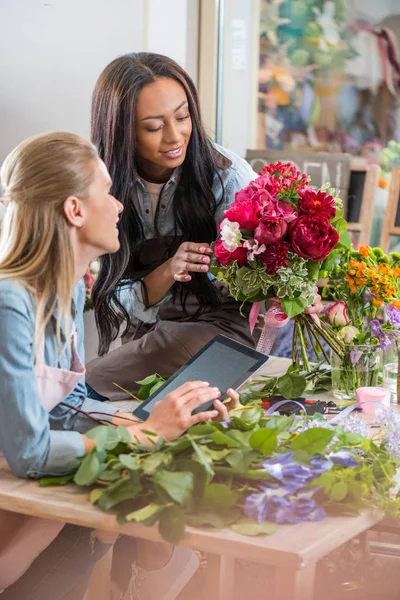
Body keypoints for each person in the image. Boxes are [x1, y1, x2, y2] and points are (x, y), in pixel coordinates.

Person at [0, 132, 236, 600]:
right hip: (13, 488)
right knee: (92, 516)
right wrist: (144, 434)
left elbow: (67, 403)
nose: (119, 206)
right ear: (75, 210)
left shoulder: (64, 291)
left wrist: (160, 416)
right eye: (106, 192)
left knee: (104, 513)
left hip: (22, 492)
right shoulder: (11, 304)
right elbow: (29, 452)